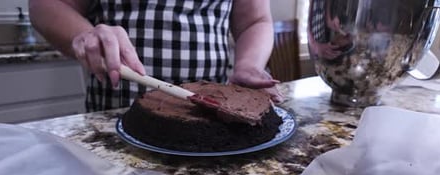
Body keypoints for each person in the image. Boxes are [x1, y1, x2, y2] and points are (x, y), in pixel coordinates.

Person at [28, 0, 284, 111]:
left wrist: (249, 64)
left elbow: (255, 20)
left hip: (209, 112)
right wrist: (87, 35)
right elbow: (48, 4)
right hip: (117, 109)